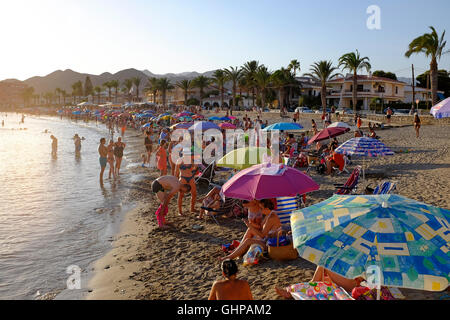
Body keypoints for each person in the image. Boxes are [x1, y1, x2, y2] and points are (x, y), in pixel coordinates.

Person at [275, 266, 365, 299]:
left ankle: (298, 290)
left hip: (356, 284)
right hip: (356, 281)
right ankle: (297, 290)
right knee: (325, 278)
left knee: (324, 264)